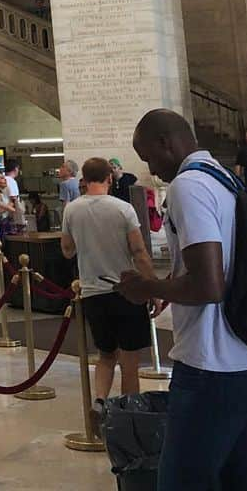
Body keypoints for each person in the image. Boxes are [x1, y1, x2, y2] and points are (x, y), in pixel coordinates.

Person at [118, 109, 247, 491]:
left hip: (211, 363)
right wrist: (168, 286)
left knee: (182, 481)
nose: (151, 167)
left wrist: (147, 287)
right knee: (244, 476)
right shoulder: (226, 179)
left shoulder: (188, 186)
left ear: (165, 143)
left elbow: (209, 286)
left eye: (149, 156)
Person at [60, 158, 154, 415]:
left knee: (105, 354)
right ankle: (128, 413)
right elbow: (139, 251)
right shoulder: (123, 209)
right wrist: (152, 286)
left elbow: (67, 251)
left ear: (84, 180)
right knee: (130, 360)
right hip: (124, 291)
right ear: (110, 178)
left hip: (92, 291)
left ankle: (100, 401)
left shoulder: (71, 210)